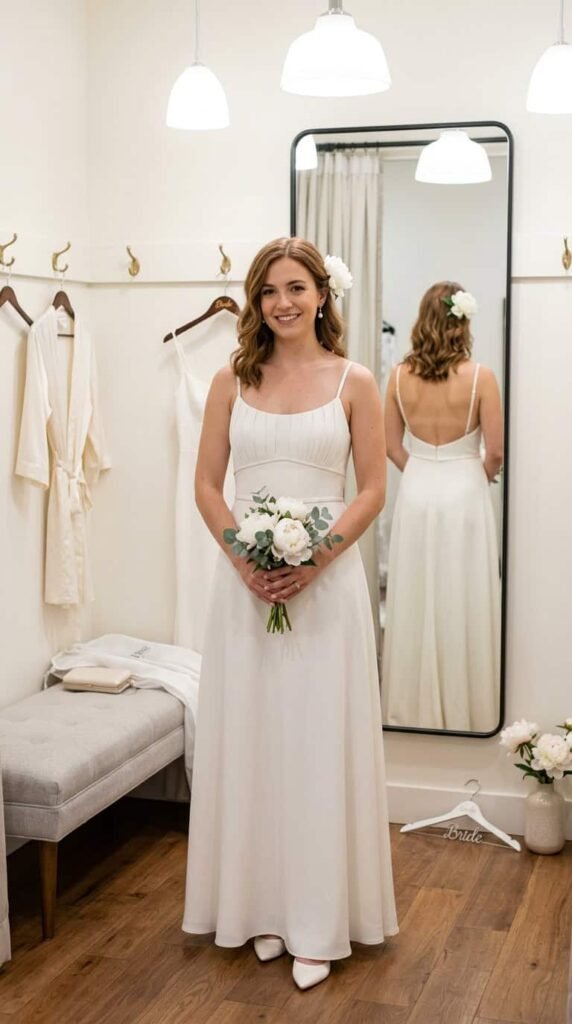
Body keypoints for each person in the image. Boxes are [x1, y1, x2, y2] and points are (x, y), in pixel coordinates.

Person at [182, 237, 398, 990]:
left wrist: (316, 559)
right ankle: (266, 909)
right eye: (269, 290)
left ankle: (317, 920)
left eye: (296, 287)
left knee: (315, 744)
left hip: (326, 589)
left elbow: (371, 490)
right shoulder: (230, 380)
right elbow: (208, 486)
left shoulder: (356, 381)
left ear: (321, 294)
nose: (283, 302)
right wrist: (246, 560)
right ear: (256, 301)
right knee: (255, 740)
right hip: (244, 589)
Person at [382, 281, 503, 732]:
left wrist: (419, 470)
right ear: (463, 322)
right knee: (463, 593)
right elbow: (496, 452)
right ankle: (468, 707)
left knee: (416, 594)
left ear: (422, 320)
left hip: (416, 491)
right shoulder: (481, 377)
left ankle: (412, 710)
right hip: (466, 491)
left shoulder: (397, 377)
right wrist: (476, 475)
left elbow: (391, 446)